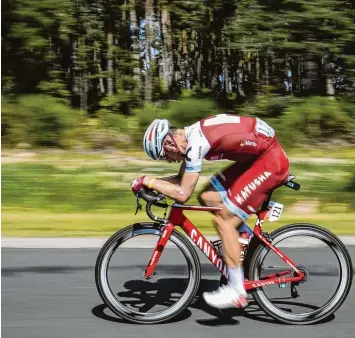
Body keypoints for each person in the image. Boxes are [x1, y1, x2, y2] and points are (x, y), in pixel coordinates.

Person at [131, 113, 290, 309]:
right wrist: (149, 183)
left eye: (165, 156)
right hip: (257, 158)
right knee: (208, 197)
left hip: (270, 161)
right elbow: (181, 181)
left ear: (169, 144)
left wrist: (151, 181)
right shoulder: (192, 137)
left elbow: (182, 193)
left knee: (224, 223)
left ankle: (237, 291)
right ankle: (243, 242)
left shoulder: (195, 144)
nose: (169, 161)